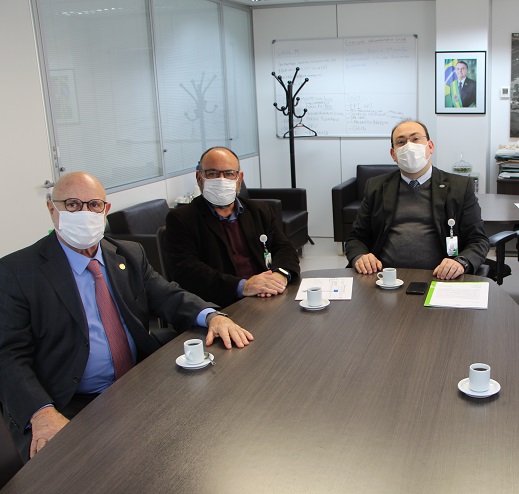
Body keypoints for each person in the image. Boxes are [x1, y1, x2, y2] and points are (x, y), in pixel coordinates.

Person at [0, 172, 254, 462]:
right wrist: (41, 412)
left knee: (206, 438)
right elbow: (8, 356)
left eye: (94, 205)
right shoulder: (17, 272)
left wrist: (212, 317)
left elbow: (168, 296)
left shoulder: (128, 254)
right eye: (72, 205)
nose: (84, 213)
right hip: (67, 403)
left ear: (105, 209)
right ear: (51, 209)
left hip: (136, 384)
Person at [346, 120, 489, 279]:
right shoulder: (376, 187)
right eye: (401, 142)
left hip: (441, 277)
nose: (409, 146)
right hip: (385, 277)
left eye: (415, 139)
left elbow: (478, 240)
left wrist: (461, 262)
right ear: (393, 154)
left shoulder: (460, 187)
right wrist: (360, 257)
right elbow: (356, 238)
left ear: (430, 146)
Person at [164, 146, 300, 308]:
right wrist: (243, 286)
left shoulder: (259, 211)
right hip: (218, 306)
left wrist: (279, 275)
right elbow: (186, 272)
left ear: (239, 178)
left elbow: (284, 248)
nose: (221, 180)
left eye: (229, 174)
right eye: (212, 174)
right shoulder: (182, 219)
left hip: (265, 296)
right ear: (199, 178)